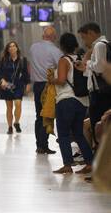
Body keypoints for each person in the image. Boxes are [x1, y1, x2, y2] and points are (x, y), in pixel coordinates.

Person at [52, 32, 94, 175]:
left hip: (66, 101)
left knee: (63, 134)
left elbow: (62, 80)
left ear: (62, 46)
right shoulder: (80, 58)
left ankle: (67, 165)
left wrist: (52, 80)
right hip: (82, 102)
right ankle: (89, 163)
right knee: (78, 134)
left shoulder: (64, 60)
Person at [28, 26, 62, 155]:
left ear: (43, 36)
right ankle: (45, 144)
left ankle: (40, 145)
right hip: (49, 86)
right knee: (48, 115)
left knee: (39, 115)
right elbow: (60, 68)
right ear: (54, 37)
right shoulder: (55, 51)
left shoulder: (33, 47)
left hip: (37, 86)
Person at [76, 22, 111, 145]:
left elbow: (101, 67)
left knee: (98, 128)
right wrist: (86, 68)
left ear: (91, 33)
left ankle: (99, 158)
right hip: (100, 92)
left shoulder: (99, 45)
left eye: (84, 37)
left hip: (100, 94)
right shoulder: (102, 45)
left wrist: (88, 63)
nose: (84, 42)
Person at [0, 41, 29, 134]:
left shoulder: (22, 60)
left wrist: (27, 84)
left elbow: (26, 73)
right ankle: (10, 127)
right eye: (10, 47)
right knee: (9, 107)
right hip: (7, 85)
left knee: (18, 103)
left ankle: (16, 122)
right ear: (8, 49)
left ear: (17, 48)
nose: (12, 48)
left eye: (14, 46)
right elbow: (0, 74)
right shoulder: (4, 60)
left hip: (18, 85)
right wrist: (3, 81)